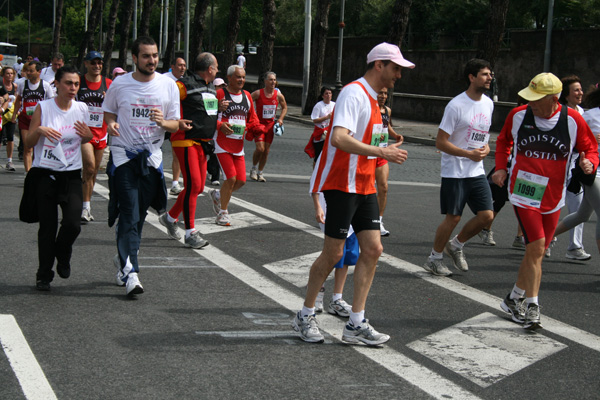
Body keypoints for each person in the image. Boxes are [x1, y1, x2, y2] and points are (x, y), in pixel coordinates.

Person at [292, 42, 411, 345]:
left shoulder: (375, 100)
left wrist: (380, 152)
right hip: (341, 184)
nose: (399, 74)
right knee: (333, 253)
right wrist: (379, 151)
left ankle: (355, 323)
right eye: (395, 68)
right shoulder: (354, 93)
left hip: (364, 184)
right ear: (379, 65)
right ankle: (305, 315)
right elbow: (339, 138)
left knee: (373, 250)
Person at [493, 73, 598, 330]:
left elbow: (591, 148)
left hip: (554, 195)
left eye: (536, 100)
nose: (531, 104)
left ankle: (512, 298)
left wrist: (589, 162)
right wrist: (500, 167)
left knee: (535, 252)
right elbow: (503, 141)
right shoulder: (518, 115)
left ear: (554, 99)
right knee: (537, 246)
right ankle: (532, 307)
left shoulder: (573, 120)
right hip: (524, 190)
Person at [103, 36, 187, 296]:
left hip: (151, 157)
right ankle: (132, 273)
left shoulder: (168, 86)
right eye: (146, 56)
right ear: (134, 58)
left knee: (137, 217)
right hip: (124, 156)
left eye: (155, 56)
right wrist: (110, 124)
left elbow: (176, 123)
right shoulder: (120, 84)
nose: (152, 61)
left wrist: (165, 124)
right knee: (128, 211)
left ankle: (124, 258)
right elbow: (108, 111)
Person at [20, 65, 92, 291]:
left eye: (76, 84)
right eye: (68, 83)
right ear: (57, 85)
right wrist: (40, 130)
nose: (73, 88)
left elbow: (86, 138)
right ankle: (44, 275)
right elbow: (29, 143)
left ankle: (63, 253)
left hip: (71, 174)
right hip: (45, 174)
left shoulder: (81, 108)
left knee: (73, 224)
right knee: (47, 228)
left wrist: (88, 135)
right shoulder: (44, 107)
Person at [422, 59, 494, 277]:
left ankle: (456, 245)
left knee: (487, 216)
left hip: (476, 170)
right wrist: (467, 154)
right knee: (453, 218)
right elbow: (441, 142)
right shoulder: (456, 105)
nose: (489, 78)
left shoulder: (488, 103)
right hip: (455, 170)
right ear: (471, 78)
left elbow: (483, 136)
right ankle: (434, 258)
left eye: (490, 74)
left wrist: (486, 149)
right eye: (484, 74)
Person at [159, 52, 224, 249]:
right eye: (216, 67)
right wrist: (174, 123)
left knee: (195, 187)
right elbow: (164, 103)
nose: (217, 71)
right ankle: (190, 232)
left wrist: (220, 125)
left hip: (201, 143)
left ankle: (170, 218)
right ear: (210, 69)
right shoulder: (182, 85)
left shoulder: (211, 88)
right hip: (185, 140)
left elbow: (208, 114)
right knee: (194, 184)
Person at [209, 65, 264, 226]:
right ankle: (222, 213)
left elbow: (252, 118)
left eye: (243, 77)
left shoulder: (247, 96)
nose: (241, 80)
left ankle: (219, 195)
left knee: (241, 180)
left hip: (238, 145)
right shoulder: (219, 94)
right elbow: (208, 114)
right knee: (230, 178)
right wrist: (220, 125)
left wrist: (257, 131)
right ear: (229, 78)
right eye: (238, 77)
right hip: (222, 143)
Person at [553, 87, 600, 259]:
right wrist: (591, 142)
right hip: (592, 170)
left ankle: (544, 239)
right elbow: (569, 140)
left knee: (582, 214)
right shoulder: (589, 115)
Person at [555, 75, 590, 260]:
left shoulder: (583, 113)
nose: (580, 92)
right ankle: (542, 240)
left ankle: (574, 247)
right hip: (559, 168)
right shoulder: (561, 113)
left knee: (577, 209)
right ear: (566, 95)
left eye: (581, 89)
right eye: (576, 90)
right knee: (553, 207)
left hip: (576, 170)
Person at [78, 51, 113, 223]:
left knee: (93, 172)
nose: (97, 66)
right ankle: (84, 207)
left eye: (99, 63)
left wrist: (109, 101)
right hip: (84, 132)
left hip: (101, 132)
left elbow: (116, 107)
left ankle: (86, 206)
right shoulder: (79, 82)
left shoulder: (108, 84)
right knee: (90, 167)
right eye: (93, 63)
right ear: (86, 64)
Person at [312, 192, 354, 317]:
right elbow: (316, 181)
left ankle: (337, 299)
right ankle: (317, 295)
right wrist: (318, 206)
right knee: (332, 255)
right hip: (334, 207)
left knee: (347, 256)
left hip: (355, 208)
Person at [12, 61, 54, 172]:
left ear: (39, 72)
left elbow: (51, 102)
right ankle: (28, 173)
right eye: (27, 71)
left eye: (31, 71)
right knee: (27, 148)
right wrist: (14, 115)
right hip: (25, 120)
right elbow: (18, 101)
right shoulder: (22, 84)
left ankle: (35, 171)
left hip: (40, 121)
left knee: (37, 149)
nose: (28, 73)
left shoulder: (45, 86)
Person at [375, 86, 403, 236]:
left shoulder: (387, 110)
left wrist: (396, 135)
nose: (383, 96)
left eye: (385, 93)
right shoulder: (369, 109)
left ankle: (378, 221)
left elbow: (387, 126)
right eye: (380, 92)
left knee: (383, 187)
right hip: (368, 152)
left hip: (382, 153)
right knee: (363, 188)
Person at [249, 71, 288, 182]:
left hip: (270, 125)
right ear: (265, 81)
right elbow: (248, 102)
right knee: (260, 148)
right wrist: (252, 116)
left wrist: (280, 119)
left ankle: (260, 172)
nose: (273, 82)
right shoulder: (258, 93)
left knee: (266, 150)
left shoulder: (278, 95)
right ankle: (253, 168)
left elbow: (285, 107)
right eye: (270, 80)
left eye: (274, 80)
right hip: (259, 125)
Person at [163, 57, 188, 195]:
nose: (182, 68)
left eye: (184, 65)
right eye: (179, 65)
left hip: (175, 120)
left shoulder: (185, 81)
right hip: (162, 120)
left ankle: (174, 183)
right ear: (172, 66)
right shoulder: (164, 79)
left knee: (176, 153)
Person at [305, 86, 335, 163]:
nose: (328, 95)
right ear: (322, 96)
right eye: (326, 93)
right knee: (318, 156)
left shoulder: (334, 105)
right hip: (321, 133)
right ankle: (315, 173)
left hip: (330, 132)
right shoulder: (319, 105)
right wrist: (327, 117)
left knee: (329, 156)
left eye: (330, 93)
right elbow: (314, 119)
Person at [0, 66, 18, 171]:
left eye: (11, 73)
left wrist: (17, 111)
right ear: (3, 74)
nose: (9, 75)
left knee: (10, 137)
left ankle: (9, 160)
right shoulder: (1, 85)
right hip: (2, 114)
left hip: (11, 114)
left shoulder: (15, 86)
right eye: (7, 73)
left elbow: (18, 99)